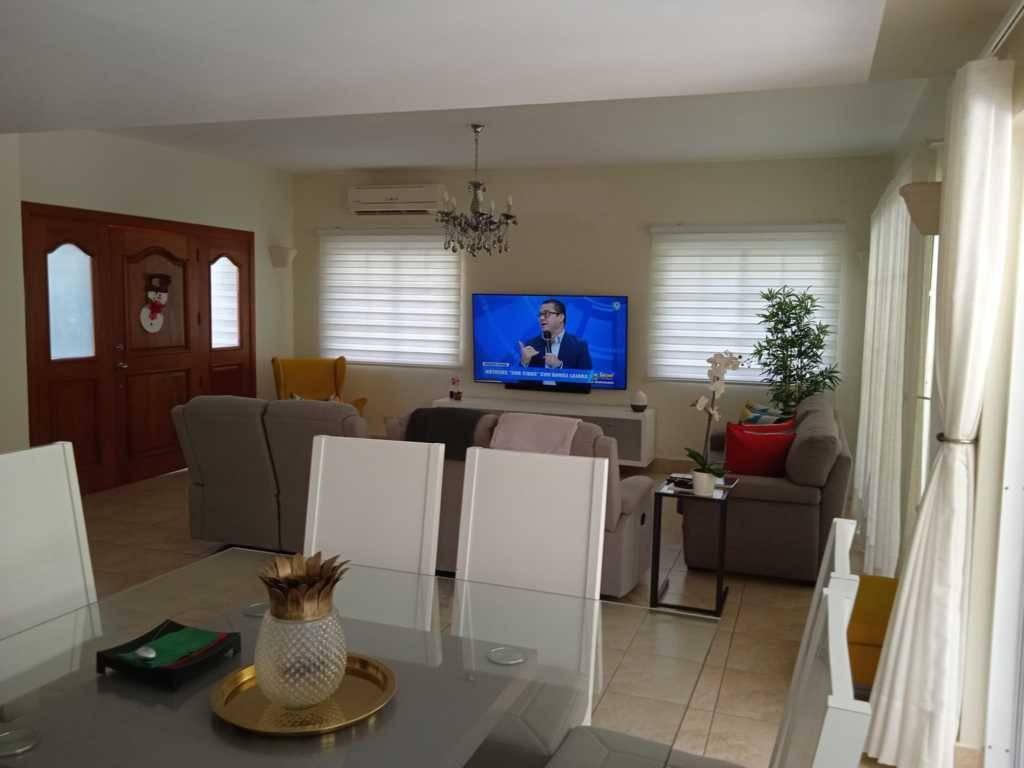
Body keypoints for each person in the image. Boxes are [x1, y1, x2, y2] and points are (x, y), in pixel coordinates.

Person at [518, 299, 592, 370]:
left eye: (546, 314)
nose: (541, 318)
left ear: (561, 317)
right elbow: (520, 377)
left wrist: (559, 366)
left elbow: (588, 377)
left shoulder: (579, 346)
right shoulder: (531, 344)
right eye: (540, 315)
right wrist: (524, 362)